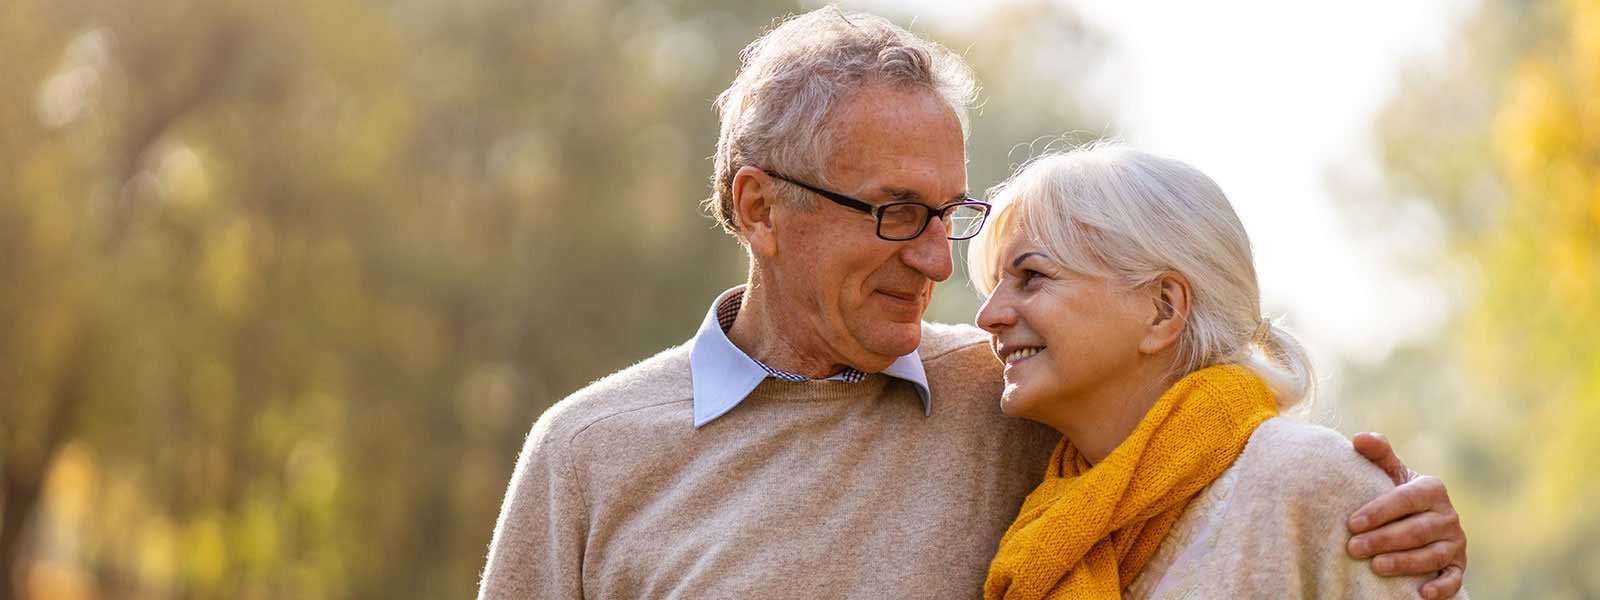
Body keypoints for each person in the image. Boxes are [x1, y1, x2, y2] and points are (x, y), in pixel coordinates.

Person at [477, 8, 1466, 599]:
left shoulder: (1012, 401)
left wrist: (1395, 518)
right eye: (895, 213)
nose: (935, 265)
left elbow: (1201, 443)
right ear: (758, 207)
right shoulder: (587, 456)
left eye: (946, 214)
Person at [969, 143, 1465, 598]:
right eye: (994, 286)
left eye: (1031, 276)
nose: (987, 315)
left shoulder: (1309, 479)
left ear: (1163, 309)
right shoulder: (1047, 512)